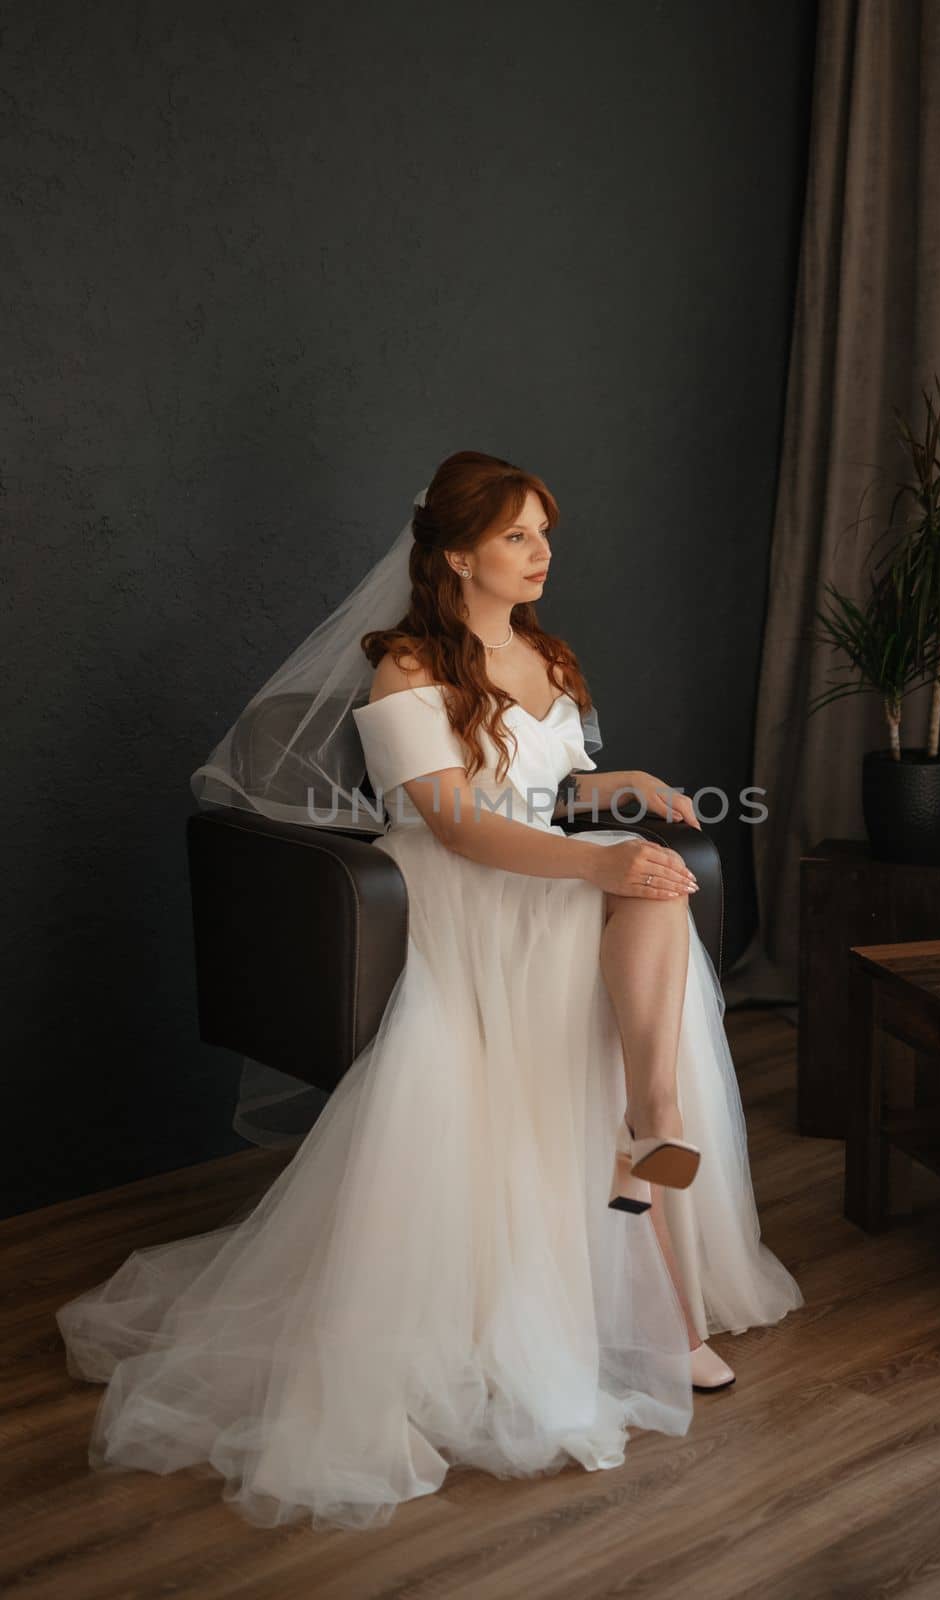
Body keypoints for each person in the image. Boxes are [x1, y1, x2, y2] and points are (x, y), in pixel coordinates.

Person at [55, 450, 803, 1532]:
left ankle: (650, 1147)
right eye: (516, 536)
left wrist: (620, 790)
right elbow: (456, 819)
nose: (542, 552)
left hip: (534, 865)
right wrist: (595, 858)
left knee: (649, 883)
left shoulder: (547, 652)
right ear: (455, 552)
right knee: (630, 879)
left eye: (546, 532)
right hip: (460, 886)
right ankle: (652, 1173)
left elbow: (550, 790)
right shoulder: (403, 668)